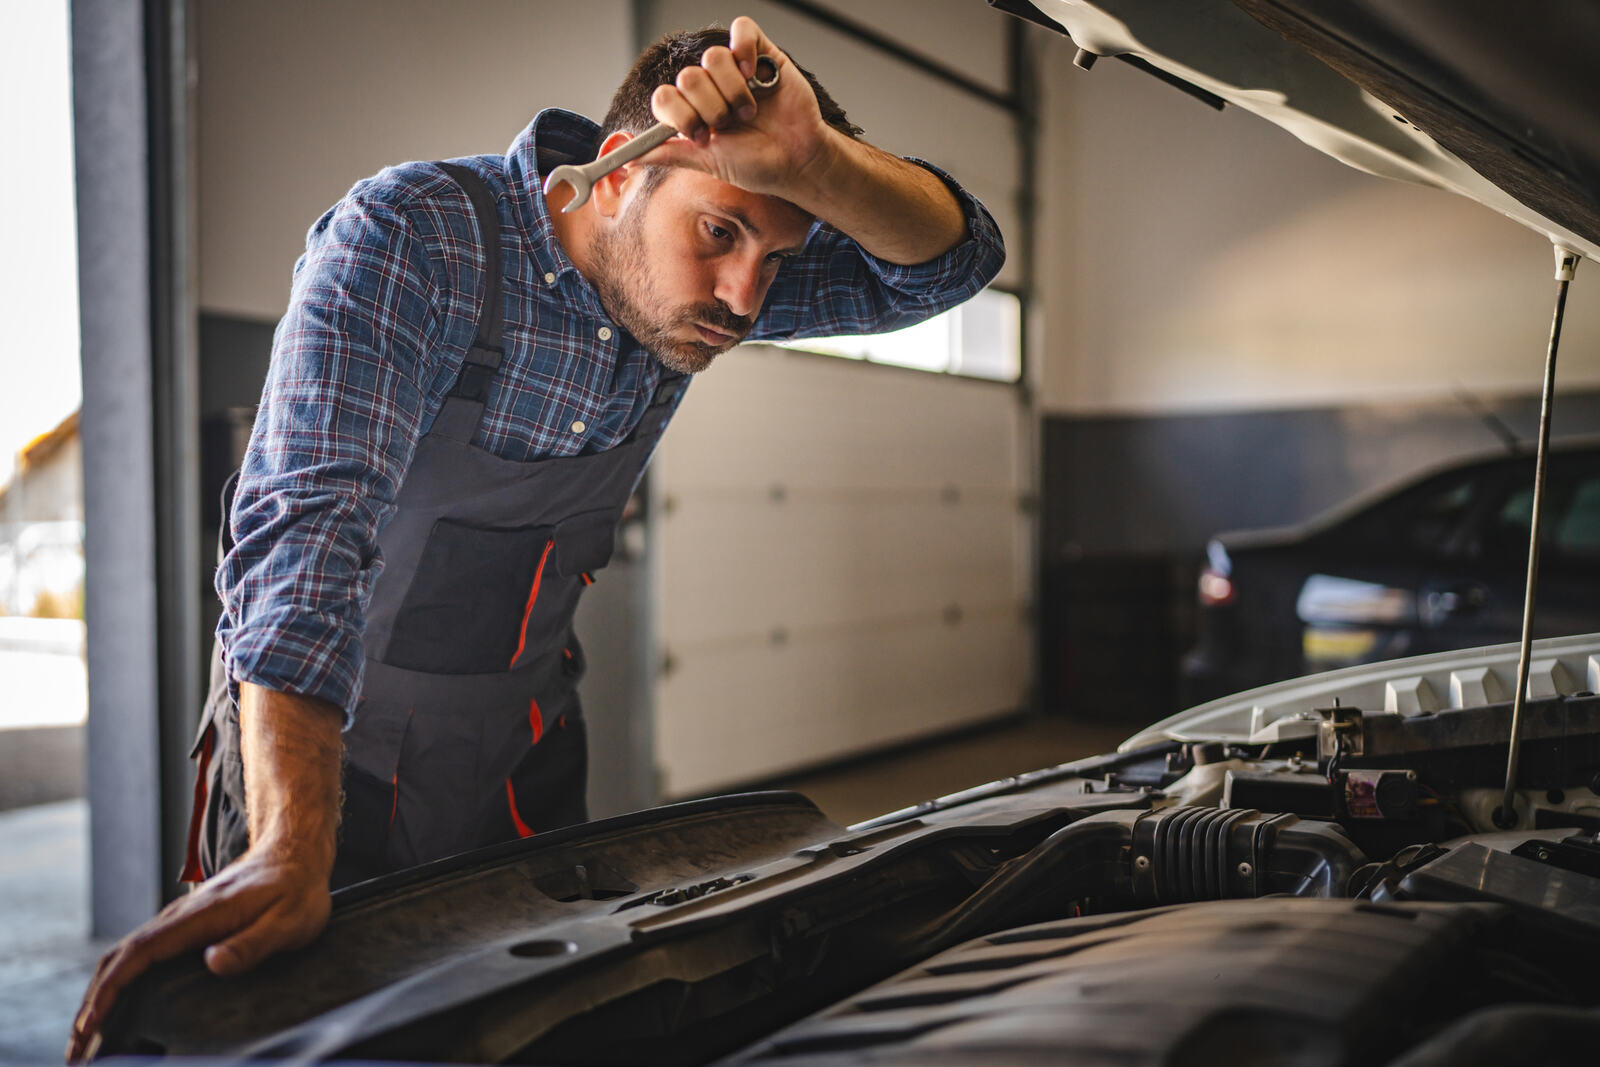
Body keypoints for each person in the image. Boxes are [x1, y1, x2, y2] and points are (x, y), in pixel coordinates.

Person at [67, 15, 1003, 1061]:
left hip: (518, 757)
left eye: (776, 260)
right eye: (722, 234)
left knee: (534, 1028)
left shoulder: (680, 298)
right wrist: (292, 840)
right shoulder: (414, 237)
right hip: (318, 755)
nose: (745, 301)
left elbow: (947, 266)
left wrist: (816, 163)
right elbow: (303, 532)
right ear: (612, 177)